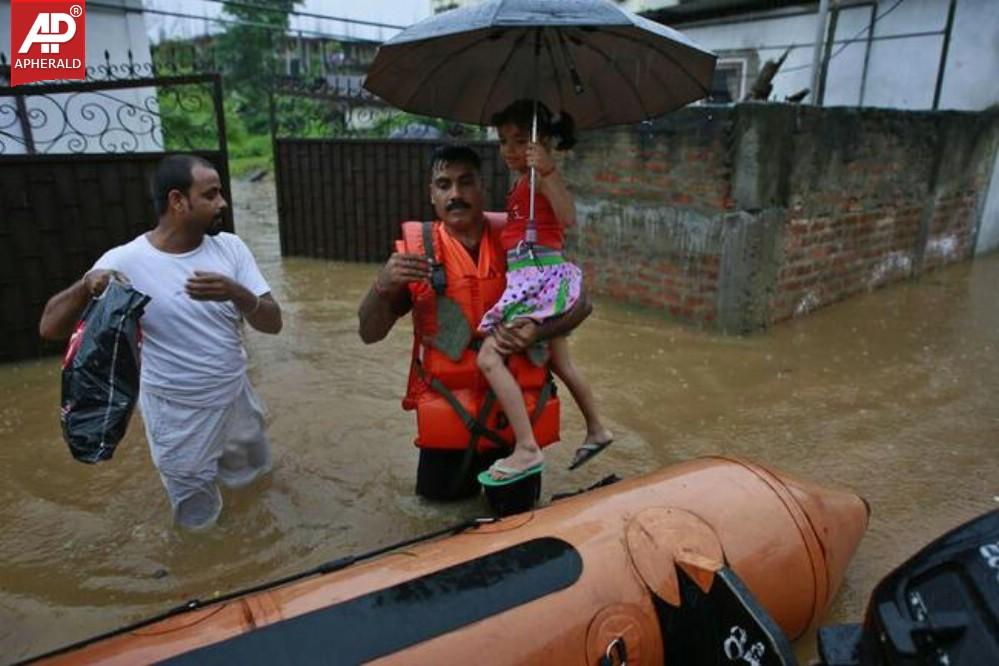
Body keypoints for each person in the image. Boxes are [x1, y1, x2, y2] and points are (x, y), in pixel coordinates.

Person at [39, 154, 282, 530]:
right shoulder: (127, 261)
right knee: (198, 519)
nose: (223, 203)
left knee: (255, 486)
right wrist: (86, 287)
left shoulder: (231, 248)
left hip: (235, 398)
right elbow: (50, 327)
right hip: (177, 414)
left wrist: (237, 293)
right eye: (211, 195)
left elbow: (273, 323)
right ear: (177, 201)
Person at [358, 144, 590, 499]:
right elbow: (369, 333)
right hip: (448, 417)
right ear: (432, 194)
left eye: (466, 182)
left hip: (515, 427)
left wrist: (538, 331)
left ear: (483, 187)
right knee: (434, 520)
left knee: (519, 524)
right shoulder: (417, 255)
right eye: (444, 184)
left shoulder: (521, 241)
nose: (455, 194)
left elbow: (582, 305)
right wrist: (382, 286)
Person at [478, 100, 613, 483]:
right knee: (561, 363)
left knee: (488, 357)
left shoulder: (542, 177)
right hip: (537, 277)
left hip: (537, 280)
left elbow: (568, 217)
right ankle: (597, 429)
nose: (509, 150)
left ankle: (527, 448)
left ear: (544, 143)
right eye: (504, 141)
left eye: (521, 141)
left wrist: (548, 170)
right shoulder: (523, 183)